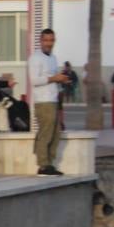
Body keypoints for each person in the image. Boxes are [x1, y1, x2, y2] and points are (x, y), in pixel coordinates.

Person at [28, 29, 69, 176]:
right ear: (41, 41)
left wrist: (62, 80)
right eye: (46, 40)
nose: (49, 43)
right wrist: (54, 79)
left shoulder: (53, 58)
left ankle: (50, 163)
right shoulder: (35, 58)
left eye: (51, 40)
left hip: (53, 99)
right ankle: (42, 165)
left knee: (55, 132)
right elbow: (34, 80)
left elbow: (54, 77)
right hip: (42, 101)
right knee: (45, 132)